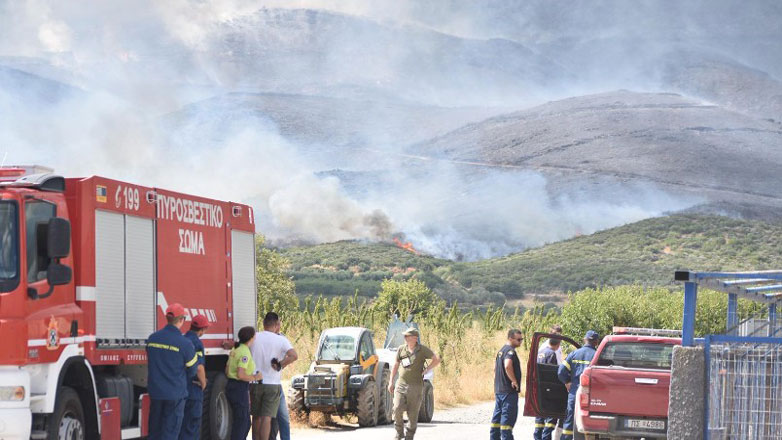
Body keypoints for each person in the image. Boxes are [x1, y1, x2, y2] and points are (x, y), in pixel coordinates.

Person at [146, 303, 199, 440]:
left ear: (167, 318)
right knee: (170, 433)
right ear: (182, 320)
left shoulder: (152, 339)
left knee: (155, 432)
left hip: (156, 392)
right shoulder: (185, 343)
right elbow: (193, 370)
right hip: (175, 394)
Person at [250, 312, 298, 440]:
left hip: (255, 382)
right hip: (272, 384)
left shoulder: (254, 337)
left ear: (263, 323)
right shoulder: (281, 340)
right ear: (277, 324)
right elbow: (294, 355)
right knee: (267, 417)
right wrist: (280, 364)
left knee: (256, 417)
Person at [388, 327, 440, 440]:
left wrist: (427, 369)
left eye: (408, 336)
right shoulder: (401, 349)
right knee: (397, 408)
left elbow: (436, 359)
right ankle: (399, 433)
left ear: (415, 338)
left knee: (412, 414)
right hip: (401, 384)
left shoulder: (422, 350)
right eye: (405, 336)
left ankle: (409, 436)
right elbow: (396, 364)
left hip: (416, 386)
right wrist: (391, 381)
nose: (405, 338)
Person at [558, 330, 600, 440]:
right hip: (591, 395)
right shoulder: (598, 356)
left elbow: (561, 371)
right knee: (590, 422)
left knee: (570, 420)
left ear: (585, 340)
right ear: (596, 342)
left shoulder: (574, 354)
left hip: (574, 392)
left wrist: (567, 382)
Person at [226, 326, 263, 440]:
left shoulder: (235, 350)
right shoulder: (245, 352)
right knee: (242, 422)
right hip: (239, 388)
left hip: (231, 385)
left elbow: (227, 370)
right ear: (251, 338)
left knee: (243, 421)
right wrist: (256, 377)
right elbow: (241, 375)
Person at [179, 315, 210, 440]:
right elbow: (199, 367)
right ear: (202, 329)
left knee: (181, 426)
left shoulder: (182, 339)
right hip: (193, 389)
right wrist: (203, 383)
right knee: (191, 426)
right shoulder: (197, 343)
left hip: (180, 388)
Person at [490, 329, 522, 440]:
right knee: (507, 421)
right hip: (508, 392)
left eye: (521, 339)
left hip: (499, 390)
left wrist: (497, 382)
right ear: (510, 338)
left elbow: (495, 369)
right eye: (518, 339)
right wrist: (514, 381)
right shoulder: (510, 351)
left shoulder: (501, 351)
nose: (521, 342)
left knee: (497, 420)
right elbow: (507, 365)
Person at [534, 337, 561, 440]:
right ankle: (545, 437)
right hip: (549, 389)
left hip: (539, 388)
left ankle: (537, 437)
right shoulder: (551, 354)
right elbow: (552, 372)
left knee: (540, 415)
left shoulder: (540, 352)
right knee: (551, 416)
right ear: (558, 345)